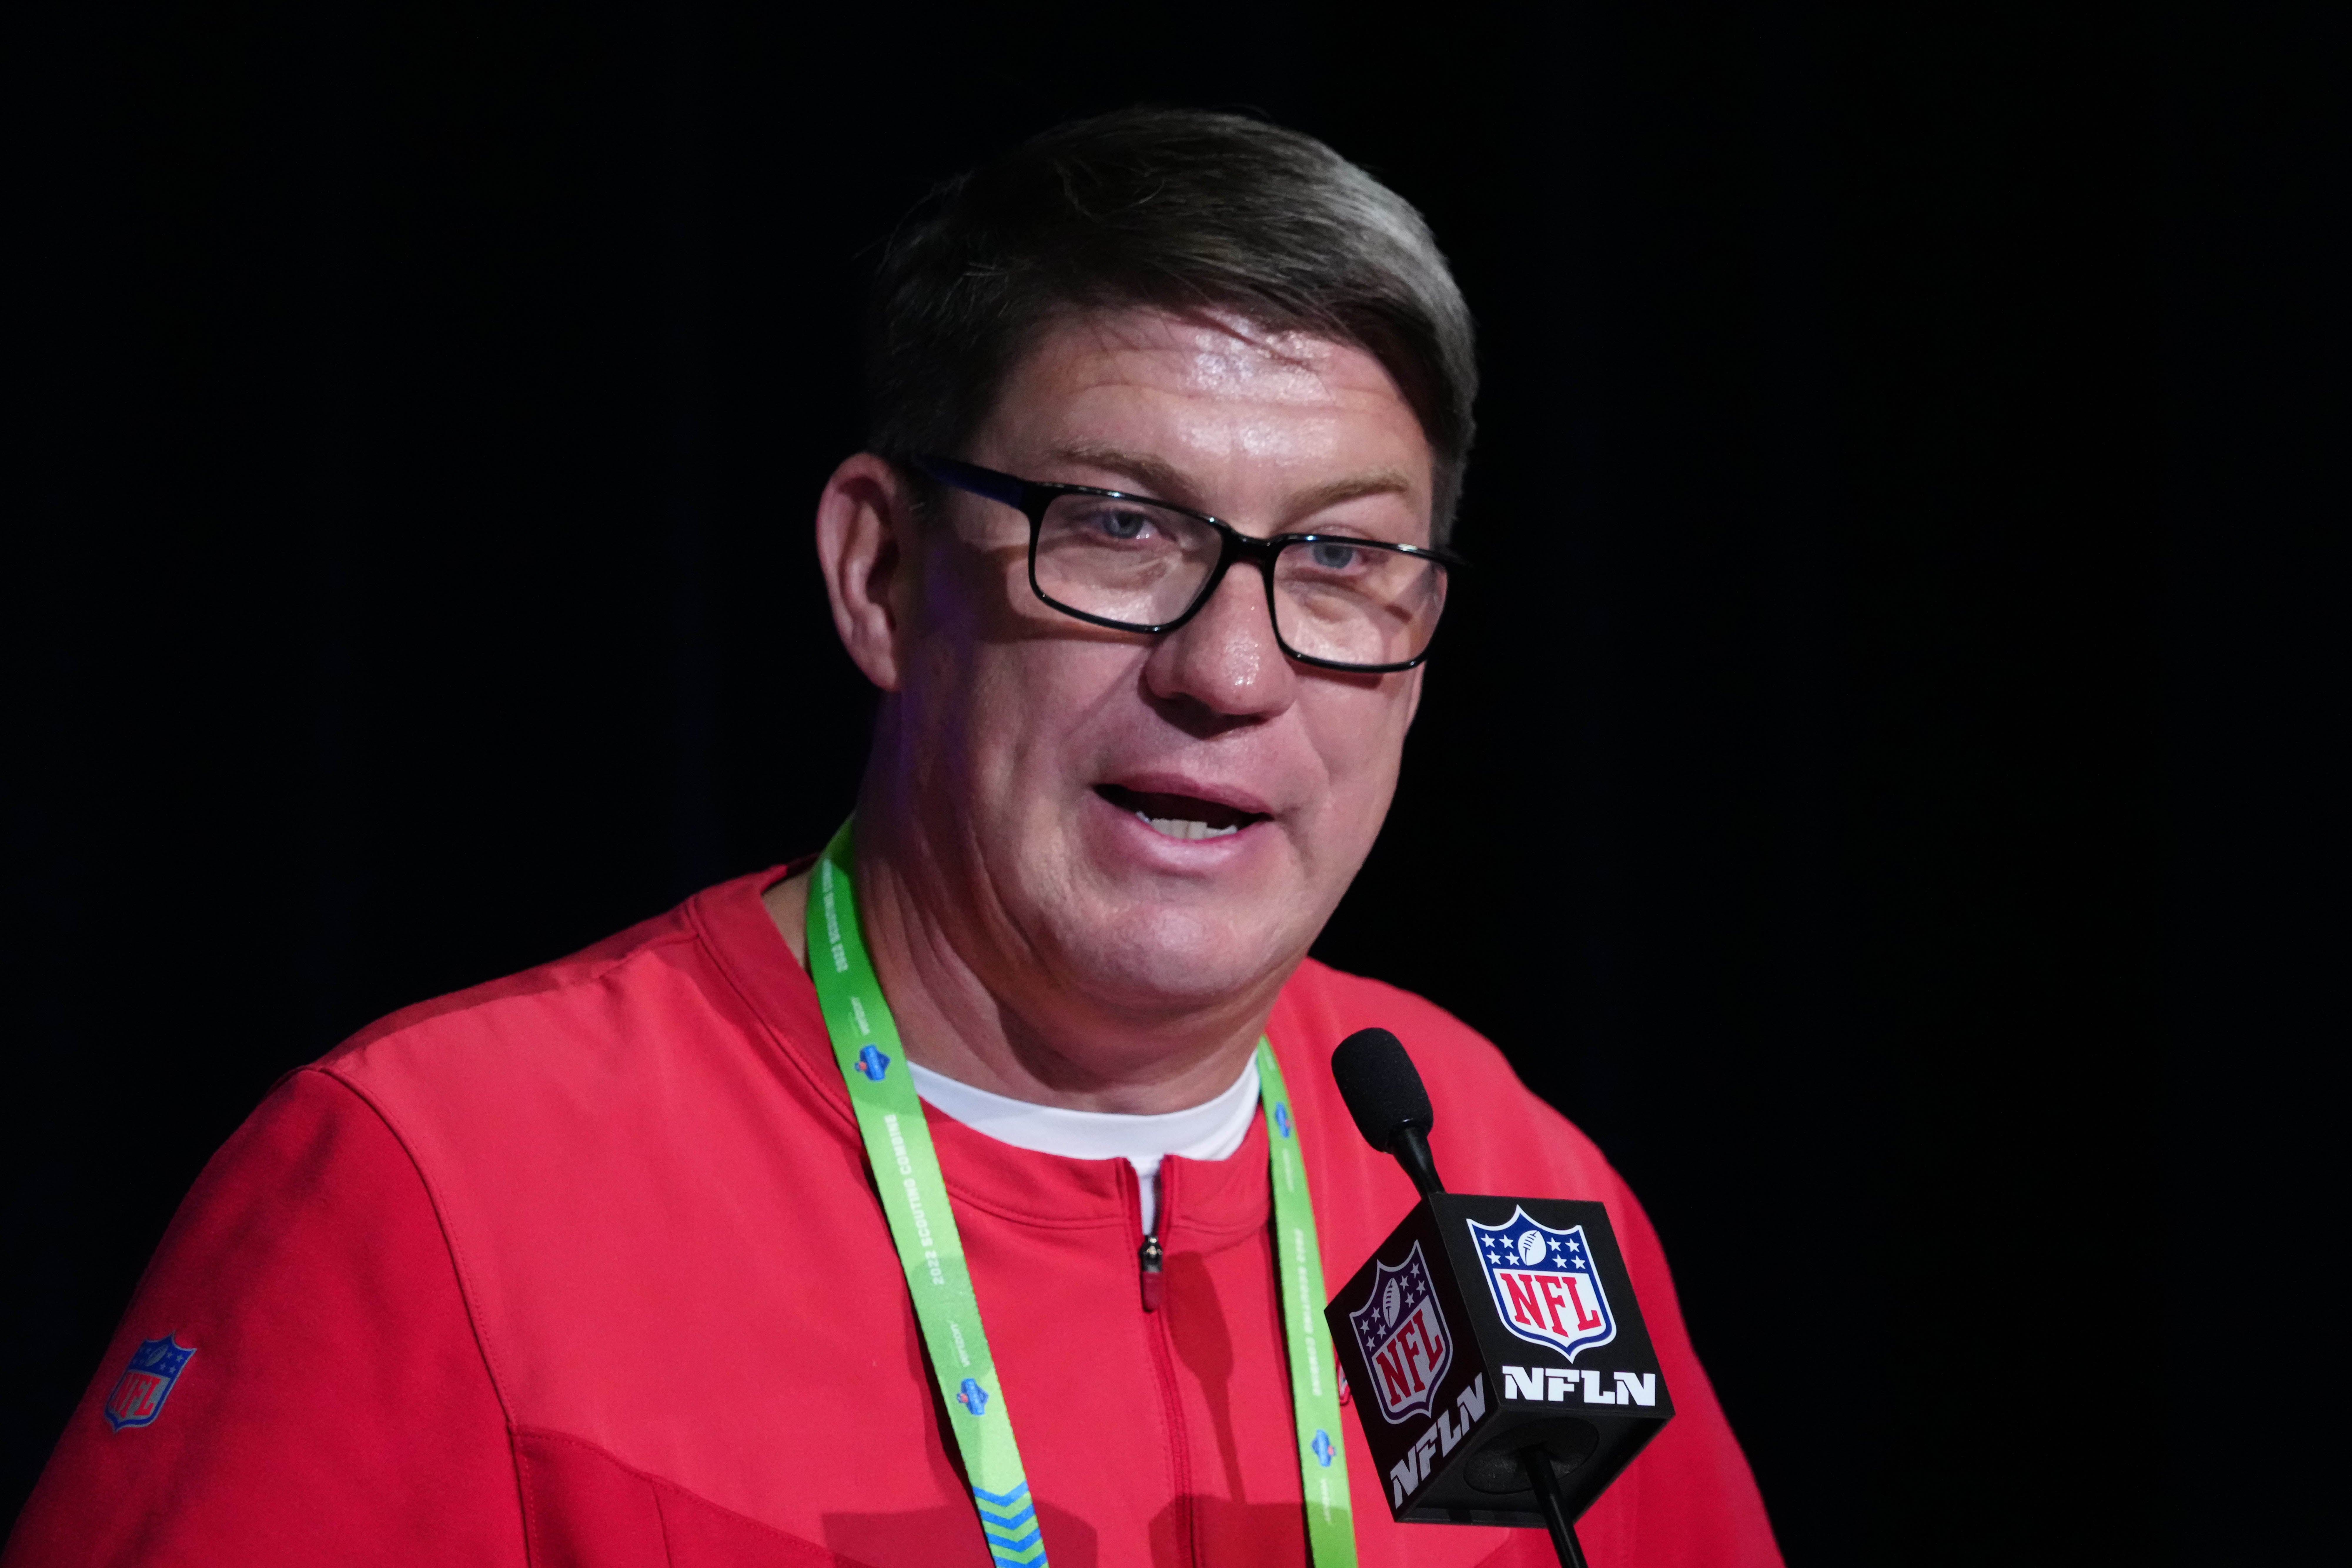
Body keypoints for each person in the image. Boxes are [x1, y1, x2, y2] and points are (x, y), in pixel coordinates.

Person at [6, 109, 1781, 1568]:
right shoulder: (437, 1189)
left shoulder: (1499, 1180)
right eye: (1120, 526)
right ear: (880, 575)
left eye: (1337, 559)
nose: (1232, 672)